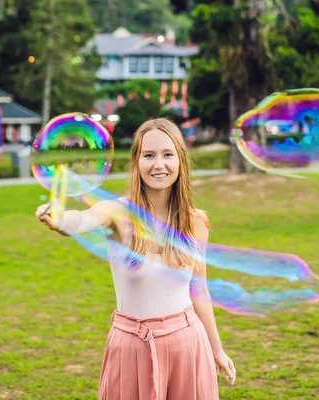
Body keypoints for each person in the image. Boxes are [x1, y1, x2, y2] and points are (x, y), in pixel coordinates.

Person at [35, 118, 235, 399]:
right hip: (132, 348)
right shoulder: (117, 213)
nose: (159, 164)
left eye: (168, 154)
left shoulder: (196, 221)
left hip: (188, 345)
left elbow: (198, 290)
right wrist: (61, 220)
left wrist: (217, 349)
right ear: (136, 161)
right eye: (149, 155)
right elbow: (82, 220)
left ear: (180, 159)